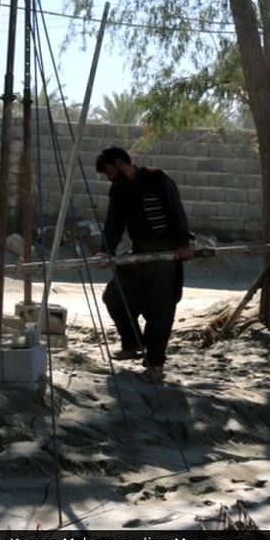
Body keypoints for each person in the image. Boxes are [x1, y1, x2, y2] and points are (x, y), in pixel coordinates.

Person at [95, 147, 194, 383]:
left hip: (165, 256)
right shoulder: (118, 190)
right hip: (139, 254)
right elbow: (114, 224)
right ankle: (132, 343)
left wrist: (183, 243)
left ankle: (155, 364)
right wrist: (105, 250)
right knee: (115, 296)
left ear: (120, 163)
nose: (109, 177)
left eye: (109, 171)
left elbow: (176, 211)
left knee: (161, 309)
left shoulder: (157, 179)